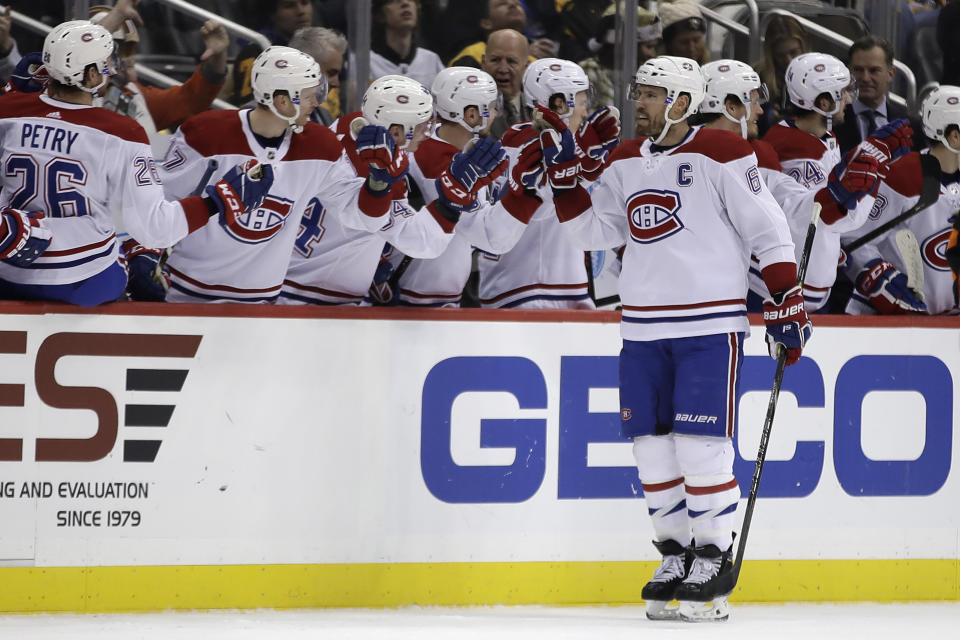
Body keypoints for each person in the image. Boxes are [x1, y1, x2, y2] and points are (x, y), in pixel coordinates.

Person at [548, 55, 807, 622]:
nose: (637, 103)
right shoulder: (622, 160)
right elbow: (594, 231)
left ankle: (712, 555)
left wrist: (786, 300)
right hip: (642, 326)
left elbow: (769, 228)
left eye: (649, 94)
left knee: (700, 445)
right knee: (650, 445)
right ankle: (675, 553)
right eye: (638, 92)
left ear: (683, 103)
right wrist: (566, 187)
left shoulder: (723, 152)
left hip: (709, 326)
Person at [0, 20, 270, 306]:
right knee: (137, 256)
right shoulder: (121, 131)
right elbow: (155, 227)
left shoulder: (8, 110)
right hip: (77, 277)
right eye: (104, 65)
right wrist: (217, 203)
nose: (110, 71)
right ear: (91, 75)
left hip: (8, 268)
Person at [156, 46, 408, 303]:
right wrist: (144, 255)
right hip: (188, 296)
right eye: (310, 96)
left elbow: (363, 219)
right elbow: (157, 208)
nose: (317, 103)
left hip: (264, 305)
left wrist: (379, 182)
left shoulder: (321, 147)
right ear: (282, 101)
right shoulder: (205, 133)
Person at [280, 74, 507, 305]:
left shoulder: (346, 125)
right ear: (397, 132)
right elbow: (422, 242)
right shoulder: (381, 173)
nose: (426, 134)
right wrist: (452, 197)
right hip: (317, 300)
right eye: (421, 127)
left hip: (291, 279)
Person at [699, 59, 894, 313]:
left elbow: (795, 208)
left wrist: (827, 235)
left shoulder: (758, 155)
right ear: (729, 106)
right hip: (712, 294)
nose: (760, 111)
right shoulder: (679, 158)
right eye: (753, 101)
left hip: (735, 291)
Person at [476, 57, 618, 309]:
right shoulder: (531, 147)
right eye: (582, 103)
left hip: (532, 288)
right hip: (531, 291)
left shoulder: (516, 142)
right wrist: (586, 164)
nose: (585, 112)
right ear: (559, 104)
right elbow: (545, 207)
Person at [762, 52, 898, 312]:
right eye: (843, 93)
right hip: (790, 292)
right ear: (824, 103)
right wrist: (875, 173)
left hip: (808, 286)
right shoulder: (798, 151)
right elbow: (824, 217)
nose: (849, 99)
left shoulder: (822, 137)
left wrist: (831, 246)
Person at [389, 67, 532, 307]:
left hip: (436, 294)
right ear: (472, 115)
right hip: (417, 300)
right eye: (490, 106)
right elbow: (489, 238)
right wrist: (528, 191)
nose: (495, 112)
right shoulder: (439, 161)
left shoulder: (449, 151)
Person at [842, 85, 960, 315]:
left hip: (948, 329)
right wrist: (877, 277)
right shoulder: (902, 176)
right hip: (886, 327)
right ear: (953, 136)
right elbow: (853, 238)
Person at [89, 2, 229, 149]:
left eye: (126, 49)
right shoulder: (70, 97)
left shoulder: (135, 93)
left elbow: (190, 100)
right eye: (114, 48)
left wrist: (216, 60)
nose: (124, 58)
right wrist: (117, 15)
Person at [835, 36, 923, 157]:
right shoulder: (833, 123)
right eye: (859, 70)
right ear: (849, 72)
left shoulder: (912, 128)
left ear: (891, 74)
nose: (865, 78)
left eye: (874, 70)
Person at [228, 0, 316, 106]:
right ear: (272, 14)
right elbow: (250, 106)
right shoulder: (257, 51)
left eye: (305, 3)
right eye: (289, 6)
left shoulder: (322, 47)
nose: (301, 11)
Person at [580, 1, 661, 111]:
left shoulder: (638, 76)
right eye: (649, 47)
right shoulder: (589, 70)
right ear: (627, 46)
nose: (652, 54)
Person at [447, 0, 557, 68]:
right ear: (486, 23)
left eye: (518, 3)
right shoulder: (471, 55)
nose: (512, 5)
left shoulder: (539, 54)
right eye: (502, 3)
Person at [752, 14, 808, 138]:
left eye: (794, 52)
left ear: (804, 46)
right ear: (771, 53)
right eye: (781, 55)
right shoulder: (757, 77)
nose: (788, 60)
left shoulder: (819, 72)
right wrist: (769, 117)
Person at [370, 0, 444, 89]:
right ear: (380, 14)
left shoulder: (432, 60)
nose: (405, 3)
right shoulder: (365, 62)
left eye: (411, 0)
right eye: (395, 0)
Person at [287, 27, 347, 125]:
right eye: (331, 73)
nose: (337, 84)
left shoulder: (325, 116)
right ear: (305, 68)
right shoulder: (263, 115)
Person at [482, 29, 529, 140]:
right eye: (495, 60)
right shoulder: (468, 111)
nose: (503, 69)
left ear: (526, 67)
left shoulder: (540, 108)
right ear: (483, 63)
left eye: (511, 61)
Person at [658, 1, 708, 65]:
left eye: (696, 40)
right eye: (684, 42)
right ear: (669, 45)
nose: (691, 49)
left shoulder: (709, 71)